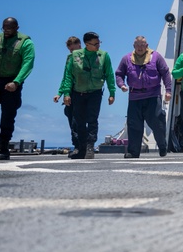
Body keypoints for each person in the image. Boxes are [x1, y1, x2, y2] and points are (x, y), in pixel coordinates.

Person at [0, 17, 35, 161]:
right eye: (4, 28)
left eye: (9, 28)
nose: (6, 31)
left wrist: (16, 82)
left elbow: (28, 63)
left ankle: (3, 146)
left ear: (17, 27)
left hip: (11, 82)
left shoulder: (26, 42)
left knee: (7, 115)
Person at [60, 32, 116, 160]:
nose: (97, 46)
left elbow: (109, 75)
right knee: (78, 122)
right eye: (94, 44)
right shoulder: (74, 56)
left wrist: (112, 93)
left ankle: (90, 147)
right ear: (86, 44)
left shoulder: (104, 56)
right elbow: (68, 75)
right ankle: (81, 147)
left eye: (98, 43)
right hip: (78, 93)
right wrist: (66, 93)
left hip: (95, 93)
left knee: (92, 120)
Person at [115, 36, 172, 159]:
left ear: (147, 46)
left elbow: (165, 73)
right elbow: (119, 74)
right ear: (134, 46)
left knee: (158, 122)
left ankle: (162, 146)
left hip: (153, 95)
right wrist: (122, 85)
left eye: (143, 45)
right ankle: (133, 152)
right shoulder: (126, 59)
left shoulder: (156, 57)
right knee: (134, 125)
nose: (140, 47)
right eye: (138, 45)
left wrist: (168, 90)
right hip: (135, 97)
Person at [53, 37, 81, 151]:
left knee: (77, 121)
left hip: (82, 92)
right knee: (70, 118)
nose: (72, 52)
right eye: (70, 50)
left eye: (73, 49)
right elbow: (65, 77)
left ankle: (81, 144)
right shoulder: (69, 58)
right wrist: (60, 93)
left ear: (79, 45)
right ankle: (76, 145)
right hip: (70, 93)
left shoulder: (86, 56)